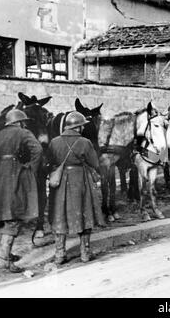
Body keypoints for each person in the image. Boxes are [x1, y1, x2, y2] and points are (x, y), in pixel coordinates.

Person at [0, 109, 43, 273]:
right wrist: (30, 169)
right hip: (14, 178)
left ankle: (6, 253)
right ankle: (5, 259)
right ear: (19, 122)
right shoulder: (23, 132)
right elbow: (38, 150)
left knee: (4, 217)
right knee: (14, 218)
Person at [47, 111, 105, 265]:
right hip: (80, 180)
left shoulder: (54, 142)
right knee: (85, 212)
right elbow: (95, 163)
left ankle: (60, 254)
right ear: (78, 127)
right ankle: (85, 253)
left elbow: (50, 162)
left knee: (60, 214)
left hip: (60, 182)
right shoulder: (85, 142)